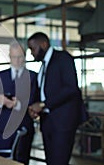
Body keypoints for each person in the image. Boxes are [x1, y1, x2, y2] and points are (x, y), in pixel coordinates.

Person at [27, 32, 82, 165]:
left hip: (63, 123)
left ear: (44, 44)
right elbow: (43, 91)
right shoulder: (43, 65)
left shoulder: (63, 58)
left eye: (33, 49)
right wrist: (35, 107)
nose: (31, 53)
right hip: (48, 123)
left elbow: (71, 88)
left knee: (59, 162)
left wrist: (43, 104)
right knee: (51, 162)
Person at [0, 41, 39, 165]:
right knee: (1, 160)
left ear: (25, 57)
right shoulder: (0, 75)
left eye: (20, 57)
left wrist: (19, 105)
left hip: (23, 127)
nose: (17, 60)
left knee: (22, 161)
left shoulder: (33, 77)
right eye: (14, 57)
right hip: (2, 127)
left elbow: (35, 101)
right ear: (9, 56)